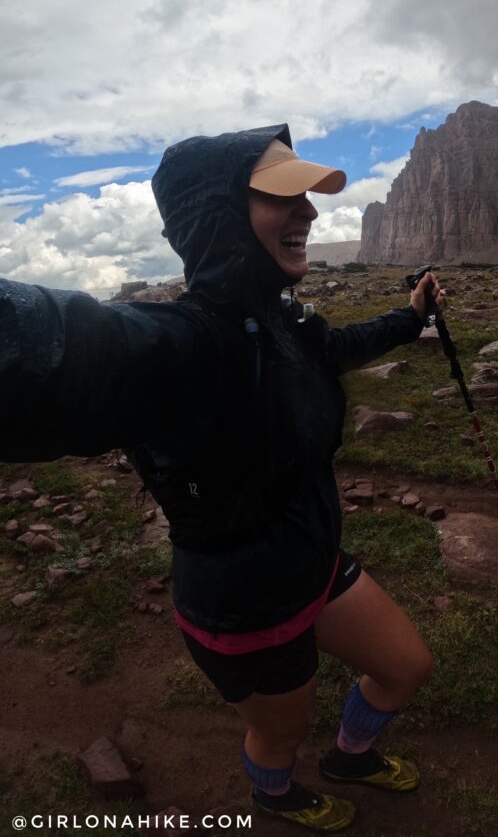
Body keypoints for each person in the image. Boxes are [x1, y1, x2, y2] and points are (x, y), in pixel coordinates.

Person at [0, 124, 447, 832]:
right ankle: (275, 796)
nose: (308, 211)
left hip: (314, 562)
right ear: (217, 212)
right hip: (243, 607)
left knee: (406, 667)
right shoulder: (181, 346)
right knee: (278, 733)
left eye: (307, 195)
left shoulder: (279, 323)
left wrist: (411, 316)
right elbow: (48, 348)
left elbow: (333, 349)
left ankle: (351, 757)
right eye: (281, 195)